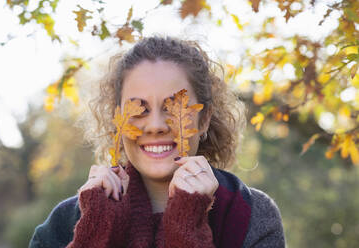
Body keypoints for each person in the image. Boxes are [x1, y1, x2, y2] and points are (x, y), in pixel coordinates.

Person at [29, 36, 286, 248]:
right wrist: (96, 232)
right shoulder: (66, 221)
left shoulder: (249, 215)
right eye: (139, 109)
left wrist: (186, 223)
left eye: (173, 108)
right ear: (117, 118)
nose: (155, 126)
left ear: (204, 119)